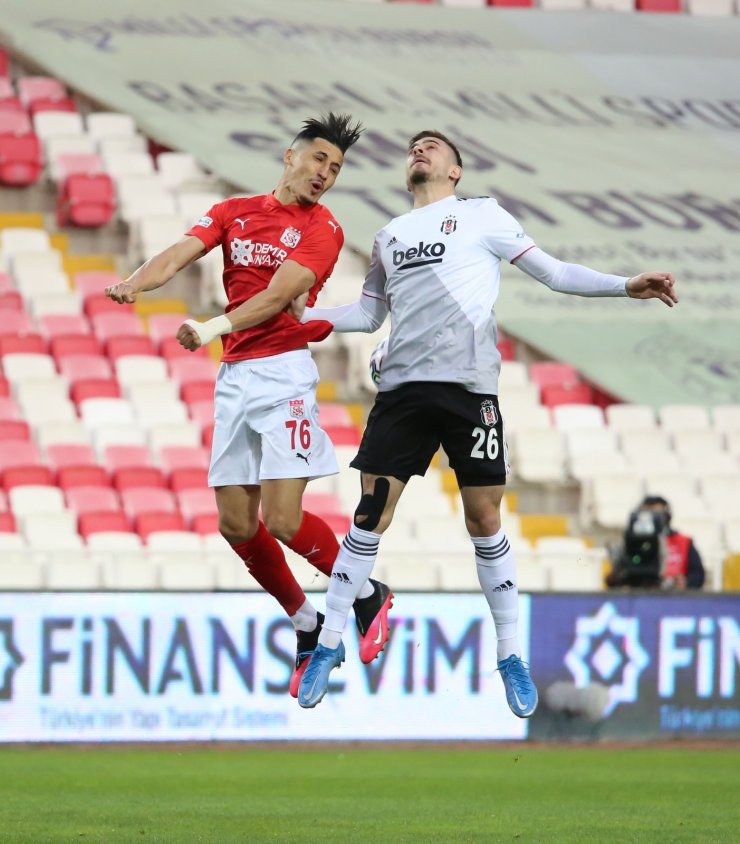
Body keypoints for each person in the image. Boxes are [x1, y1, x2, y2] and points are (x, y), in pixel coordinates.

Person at [294, 129, 679, 714]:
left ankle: (509, 655)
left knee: (484, 517)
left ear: (456, 170)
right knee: (371, 513)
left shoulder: (482, 216)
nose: (419, 150)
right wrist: (303, 316)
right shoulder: (390, 236)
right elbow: (370, 312)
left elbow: (554, 273)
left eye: (433, 146)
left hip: (470, 391)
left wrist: (625, 286)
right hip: (402, 391)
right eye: (414, 146)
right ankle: (327, 643)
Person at [104, 113, 394, 697]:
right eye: (319, 160)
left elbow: (283, 295)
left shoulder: (324, 229)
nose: (325, 175)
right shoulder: (235, 212)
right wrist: (137, 282)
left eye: (335, 169)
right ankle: (306, 621)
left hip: (283, 373)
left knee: (283, 518)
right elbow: (180, 252)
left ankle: (367, 592)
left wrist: (212, 327)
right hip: (236, 376)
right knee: (236, 524)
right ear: (290, 156)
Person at [606, 495, 705, 590]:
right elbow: (617, 576)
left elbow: (698, 575)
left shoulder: (683, 542)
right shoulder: (629, 542)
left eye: (655, 515)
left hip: (672, 597)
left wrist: (686, 582)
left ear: (667, 516)